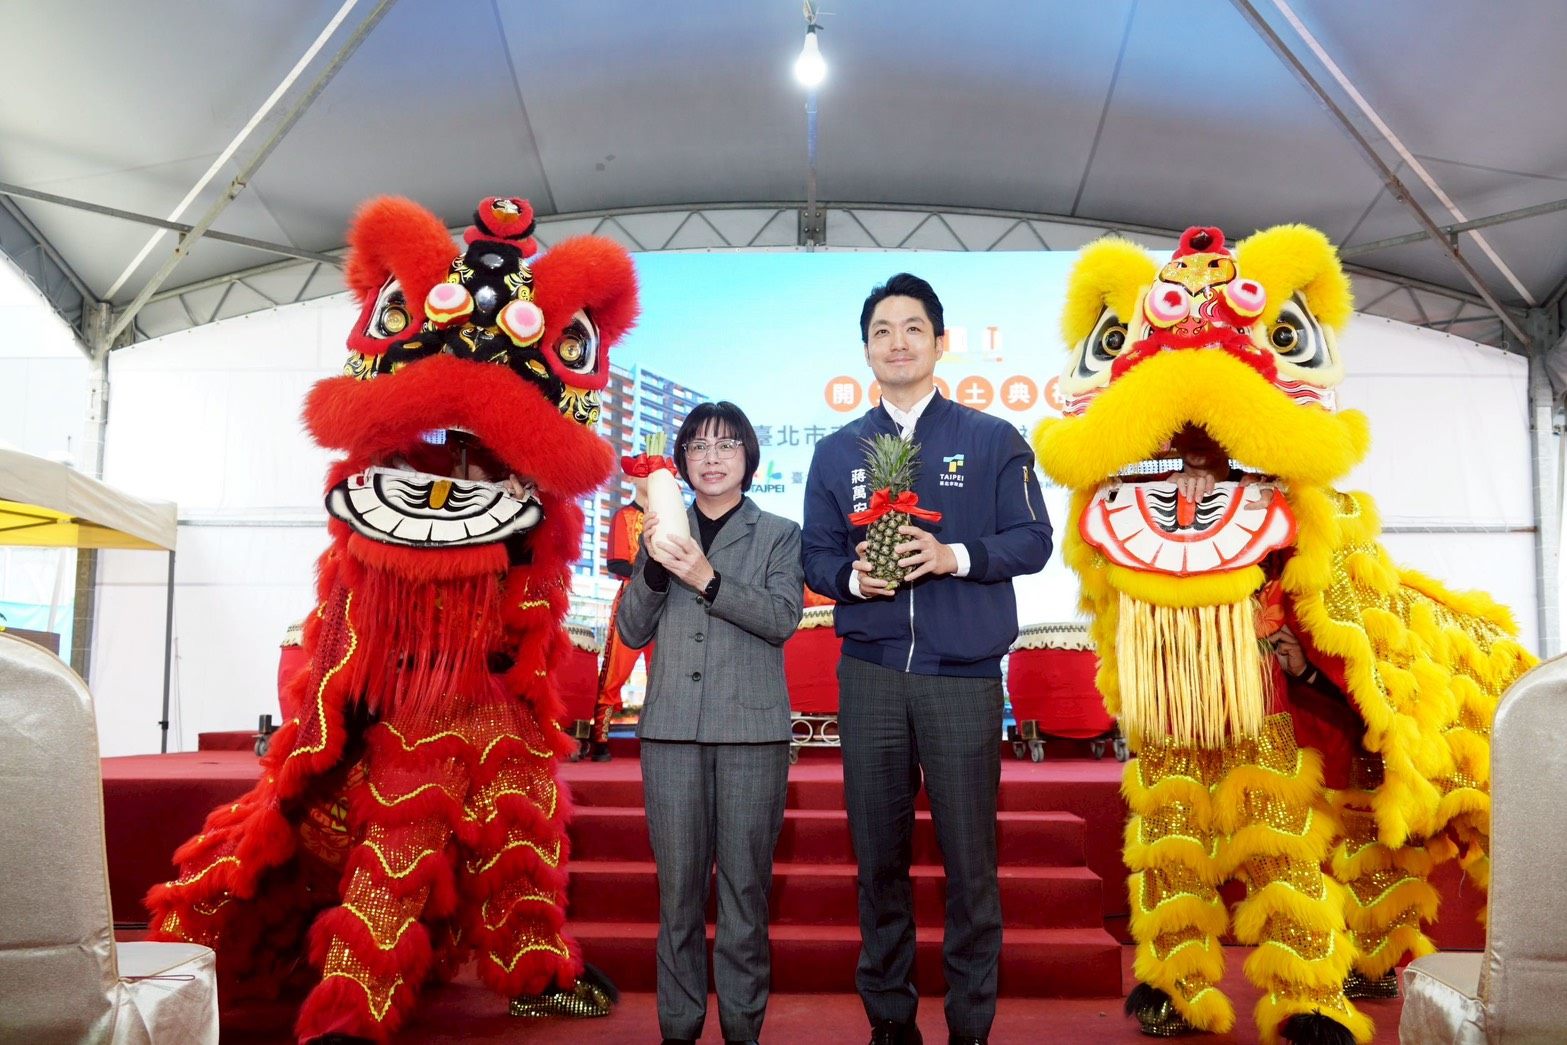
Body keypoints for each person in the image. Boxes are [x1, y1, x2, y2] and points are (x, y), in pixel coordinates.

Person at [802, 274, 1053, 1045]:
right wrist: (851, 579)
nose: (898, 342)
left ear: (939, 343)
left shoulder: (992, 438)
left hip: (961, 676)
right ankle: (889, 1018)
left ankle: (970, 1024)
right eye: (882, 330)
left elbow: (1032, 540)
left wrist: (953, 555)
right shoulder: (836, 451)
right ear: (866, 349)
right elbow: (815, 554)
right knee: (877, 859)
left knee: (969, 862)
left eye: (913, 328)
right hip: (870, 675)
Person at [616, 401, 805, 1045]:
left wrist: (706, 577)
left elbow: (781, 619)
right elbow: (631, 630)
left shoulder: (778, 533)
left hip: (752, 735)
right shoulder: (660, 528)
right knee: (677, 894)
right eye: (698, 447)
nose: (712, 458)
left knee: (745, 892)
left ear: (750, 458)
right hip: (671, 732)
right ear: (682, 462)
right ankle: (678, 1026)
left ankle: (743, 1029)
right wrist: (654, 565)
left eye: (726, 445)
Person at [583, 450, 674, 761]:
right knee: (615, 672)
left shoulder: (671, 517)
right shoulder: (624, 516)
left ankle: (662, 737)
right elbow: (616, 563)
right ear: (633, 478)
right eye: (645, 472)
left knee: (663, 673)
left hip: (665, 604)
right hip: (631, 602)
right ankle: (600, 738)